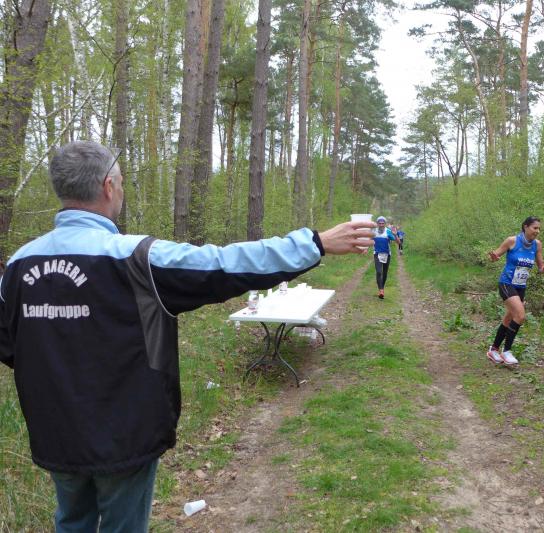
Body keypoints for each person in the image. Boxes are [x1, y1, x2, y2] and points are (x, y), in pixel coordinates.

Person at [0, 140, 375, 532]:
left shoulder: (18, 265)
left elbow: (12, 347)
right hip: (125, 437)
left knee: (71, 522)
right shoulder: (138, 260)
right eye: (122, 182)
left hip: (56, 435)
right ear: (108, 187)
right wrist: (315, 243)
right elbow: (226, 264)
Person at [486, 216, 544, 366]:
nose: (537, 231)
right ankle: (506, 351)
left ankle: (493, 350)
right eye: (535, 228)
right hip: (506, 283)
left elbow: (540, 267)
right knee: (520, 316)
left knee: (509, 318)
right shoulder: (512, 241)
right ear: (525, 227)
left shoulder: (537, 245)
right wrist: (494, 257)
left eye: (539, 228)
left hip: (521, 286)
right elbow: (496, 255)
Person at [372, 215, 396, 299]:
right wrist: (365, 248)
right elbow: (369, 240)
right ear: (377, 223)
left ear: (385, 224)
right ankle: (381, 290)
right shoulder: (373, 231)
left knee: (385, 272)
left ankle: (382, 288)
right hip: (377, 253)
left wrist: (395, 235)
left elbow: (397, 242)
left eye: (383, 223)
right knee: (379, 272)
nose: (381, 225)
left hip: (387, 254)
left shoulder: (388, 231)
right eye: (380, 223)